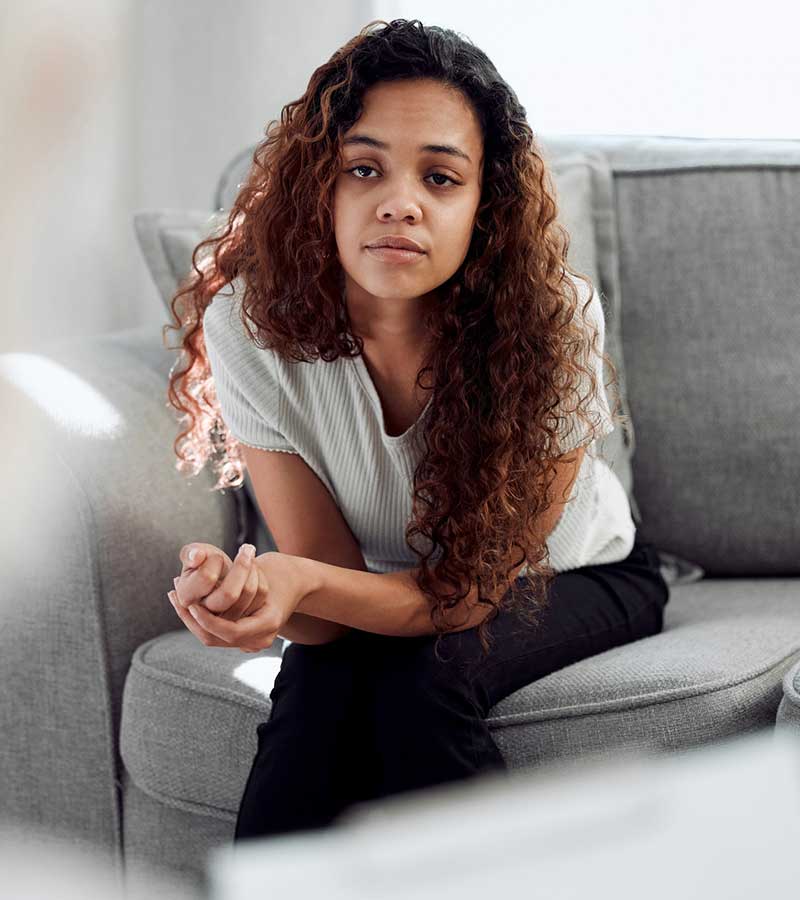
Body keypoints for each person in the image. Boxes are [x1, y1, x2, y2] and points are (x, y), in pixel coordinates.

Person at [164, 19, 670, 841]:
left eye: (440, 178)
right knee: (318, 682)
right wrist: (261, 592)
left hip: (576, 574)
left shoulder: (555, 320)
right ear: (321, 187)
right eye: (365, 168)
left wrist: (299, 586)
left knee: (420, 680)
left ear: (484, 207)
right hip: (380, 585)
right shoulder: (247, 324)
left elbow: (461, 598)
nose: (398, 200)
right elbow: (325, 611)